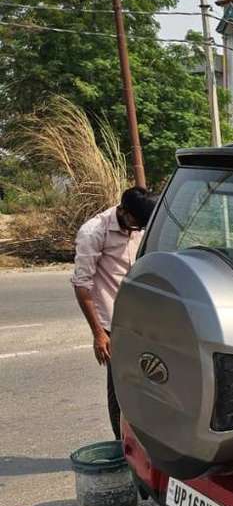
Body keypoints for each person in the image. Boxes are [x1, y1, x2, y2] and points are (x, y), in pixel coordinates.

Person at [71, 186, 157, 439]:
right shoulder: (93, 232)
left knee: (150, 379)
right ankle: (122, 446)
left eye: (140, 228)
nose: (135, 231)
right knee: (120, 385)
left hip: (141, 318)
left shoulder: (140, 225)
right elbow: (82, 285)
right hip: (113, 322)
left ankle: (147, 440)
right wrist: (98, 334)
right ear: (123, 211)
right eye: (133, 225)